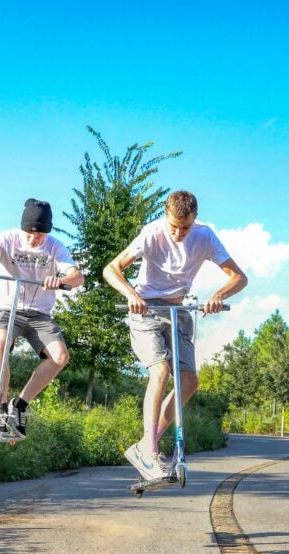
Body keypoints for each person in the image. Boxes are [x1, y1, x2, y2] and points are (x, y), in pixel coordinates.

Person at [104, 190, 248, 480]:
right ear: (165, 216)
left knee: (189, 381)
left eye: (185, 227)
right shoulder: (151, 233)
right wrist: (131, 293)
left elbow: (239, 277)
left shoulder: (204, 236)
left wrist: (218, 294)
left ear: (194, 219)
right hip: (145, 308)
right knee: (161, 371)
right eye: (174, 226)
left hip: (179, 309)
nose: (179, 233)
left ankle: (146, 443)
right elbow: (111, 269)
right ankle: (150, 451)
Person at [0, 199, 84, 439]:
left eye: (39, 235)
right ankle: (0, 406)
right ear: (23, 228)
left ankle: (19, 405)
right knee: (0, 345)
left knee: (60, 357)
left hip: (40, 314)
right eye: (29, 232)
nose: (34, 238)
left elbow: (77, 277)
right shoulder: (8, 239)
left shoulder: (55, 247)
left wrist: (61, 281)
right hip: (8, 309)